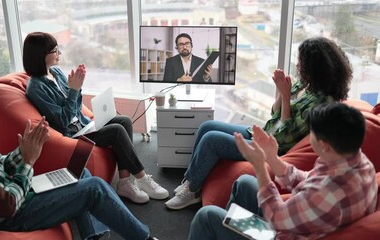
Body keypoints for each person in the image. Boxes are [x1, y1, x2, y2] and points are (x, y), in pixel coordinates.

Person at [0, 77, 159, 240]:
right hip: (12, 215)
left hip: (16, 191)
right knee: (94, 188)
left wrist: (23, 151)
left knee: (80, 173)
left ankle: (94, 236)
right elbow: (7, 206)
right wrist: (27, 161)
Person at [166, 36, 353, 210]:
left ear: (316, 67)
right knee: (207, 126)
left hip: (274, 146)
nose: (298, 64)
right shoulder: (305, 84)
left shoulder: (321, 103)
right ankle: (191, 182)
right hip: (266, 132)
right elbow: (275, 113)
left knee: (212, 140)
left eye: (302, 61)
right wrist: (280, 93)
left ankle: (191, 191)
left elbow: (287, 134)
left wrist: (286, 97)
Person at [188, 102, 378, 239]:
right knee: (244, 183)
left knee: (207, 216)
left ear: (325, 145)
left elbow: (277, 219)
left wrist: (260, 167)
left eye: (312, 133)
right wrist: (272, 157)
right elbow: (307, 179)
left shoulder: (326, 193)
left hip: (280, 233)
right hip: (305, 223)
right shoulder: (358, 163)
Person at [23, 32, 168, 204]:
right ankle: (142, 177)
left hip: (83, 126)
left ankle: (125, 182)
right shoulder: (36, 87)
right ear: (40, 55)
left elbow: (76, 108)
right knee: (116, 131)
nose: (59, 54)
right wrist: (74, 90)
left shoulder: (55, 72)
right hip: (71, 136)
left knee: (124, 121)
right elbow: (62, 121)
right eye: (54, 51)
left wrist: (77, 88)